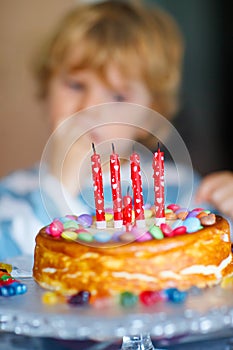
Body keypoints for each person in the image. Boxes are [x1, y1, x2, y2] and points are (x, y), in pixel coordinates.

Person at [0, 0, 213, 260]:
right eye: (76, 85)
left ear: (150, 116)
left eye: (118, 96)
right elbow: (12, 266)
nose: (90, 107)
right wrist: (56, 189)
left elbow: (212, 259)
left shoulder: (183, 187)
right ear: (46, 90)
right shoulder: (15, 192)